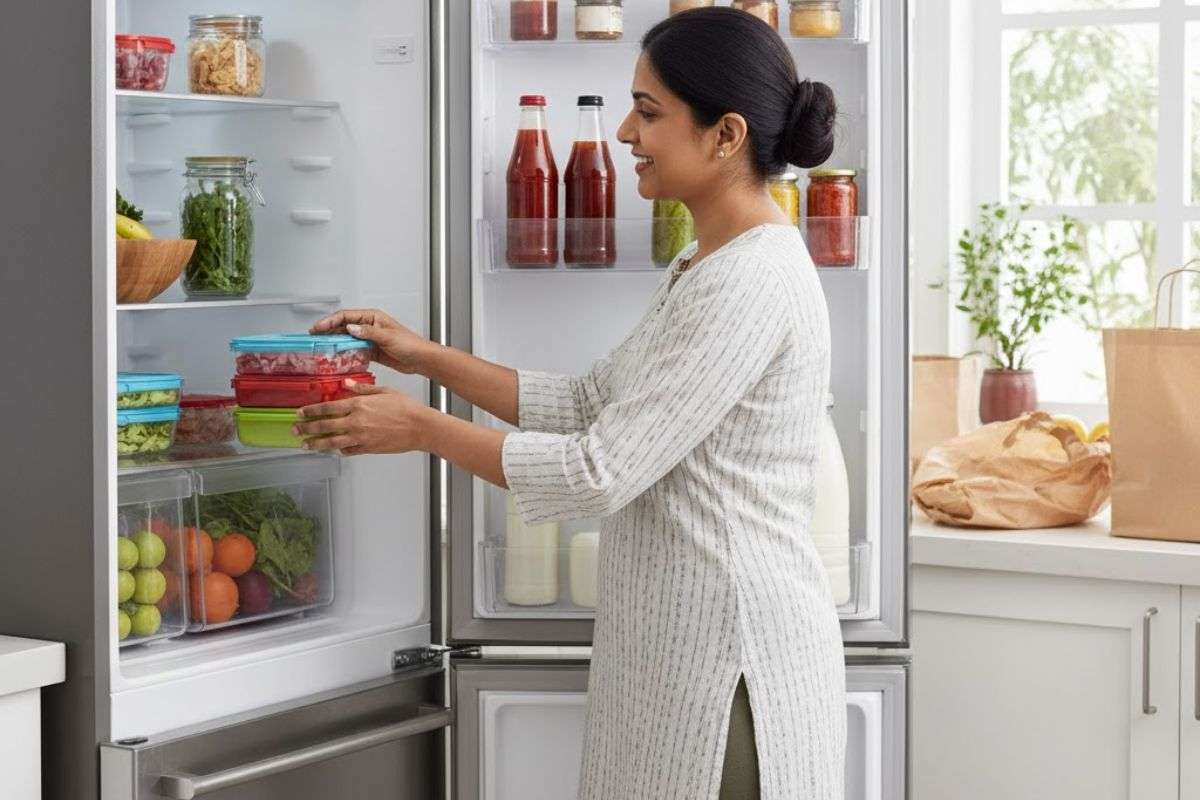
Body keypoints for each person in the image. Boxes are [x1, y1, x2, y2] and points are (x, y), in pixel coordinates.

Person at [295, 7, 844, 799]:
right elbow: (591, 402)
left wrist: (418, 426)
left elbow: (597, 472)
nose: (625, 132)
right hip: (678, 655)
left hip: (731, 666)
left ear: (725, 135)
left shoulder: (749, 280)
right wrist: (425, 357)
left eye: (648, 112)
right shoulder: (705, 263)